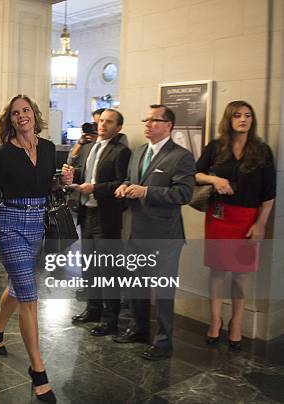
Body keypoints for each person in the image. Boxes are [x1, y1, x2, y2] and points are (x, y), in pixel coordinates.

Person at [0, 94, 73, 403]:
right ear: (9, 121)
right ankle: (38, 371)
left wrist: (61, 180)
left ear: (35, 115)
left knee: (18, 286)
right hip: (9, 222)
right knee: (30, 296)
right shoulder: (2, 155)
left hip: (38, 223)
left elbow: (46, 187)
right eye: (15, 113)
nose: (21, 116)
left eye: (26, 111)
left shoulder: (49, 149)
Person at [113, 104, 195, 361]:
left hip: (165, 236)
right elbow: (131, 180)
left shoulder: (181, 156)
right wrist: (124, 188)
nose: (147, 124)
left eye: (154, 120)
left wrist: (146, 191)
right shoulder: (138, 152)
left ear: (168, 125)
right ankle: (138, 329)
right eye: (146, 120)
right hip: (137, 231)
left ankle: (163, 341)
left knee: (162, 292)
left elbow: (183, 194)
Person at [195, 100, 275, 351]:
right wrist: (215, 178)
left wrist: (261, 224)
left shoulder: (262, 151)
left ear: (253, 120)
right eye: (238, 115)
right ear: (228, 119)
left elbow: (269, 194)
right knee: (218, 272)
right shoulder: (215, 147)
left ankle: (237, 324)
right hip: (219, 217)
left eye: (248, 115)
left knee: (241, 277)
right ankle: (215, 321)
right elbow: (195, 174)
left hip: (248, 219)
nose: (243, 119)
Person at [66, 109, 131, 336]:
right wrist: (71, 177)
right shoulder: (91, 147)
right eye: (101, 121)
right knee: (90, 267)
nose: (102, 125)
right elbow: (86, 176)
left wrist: (95, 189)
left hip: (107, 216)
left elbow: (122, 183)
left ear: (118, 127)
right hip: (87, 213)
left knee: (108, 269)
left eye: (109, 122)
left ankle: (110, 319)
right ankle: (92, 309)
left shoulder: (121, 151)